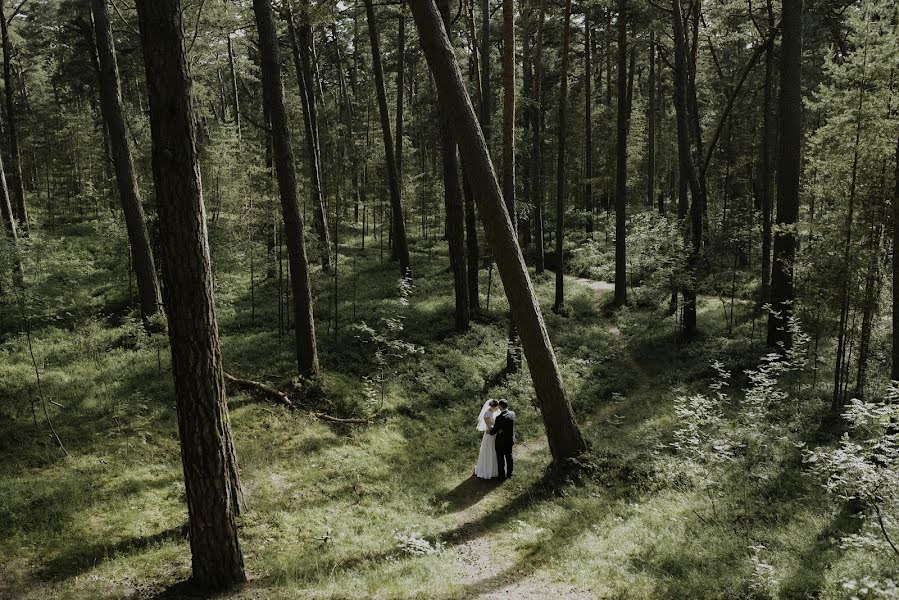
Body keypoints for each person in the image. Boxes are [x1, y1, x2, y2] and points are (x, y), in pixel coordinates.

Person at [489, 400, 516, 480]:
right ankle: (509, 474)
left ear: (500, 406)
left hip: (501, 441)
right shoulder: (512, 414)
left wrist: (494, 430)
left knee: (500, 458)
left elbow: (493, 432)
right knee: (509, 457)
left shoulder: (499, 417)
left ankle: (501, 476)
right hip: (510, 439)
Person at [474, 400, 500, 479]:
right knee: (490, 450)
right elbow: (490, 427)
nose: (497, 409)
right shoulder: (486, 414)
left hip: (495, 434)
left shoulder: (495, 411)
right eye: (496, 407)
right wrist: (498, 429)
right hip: (490, 435)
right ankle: (488, 470)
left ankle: (496, 468)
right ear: (493, 406)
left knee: (496, 450)